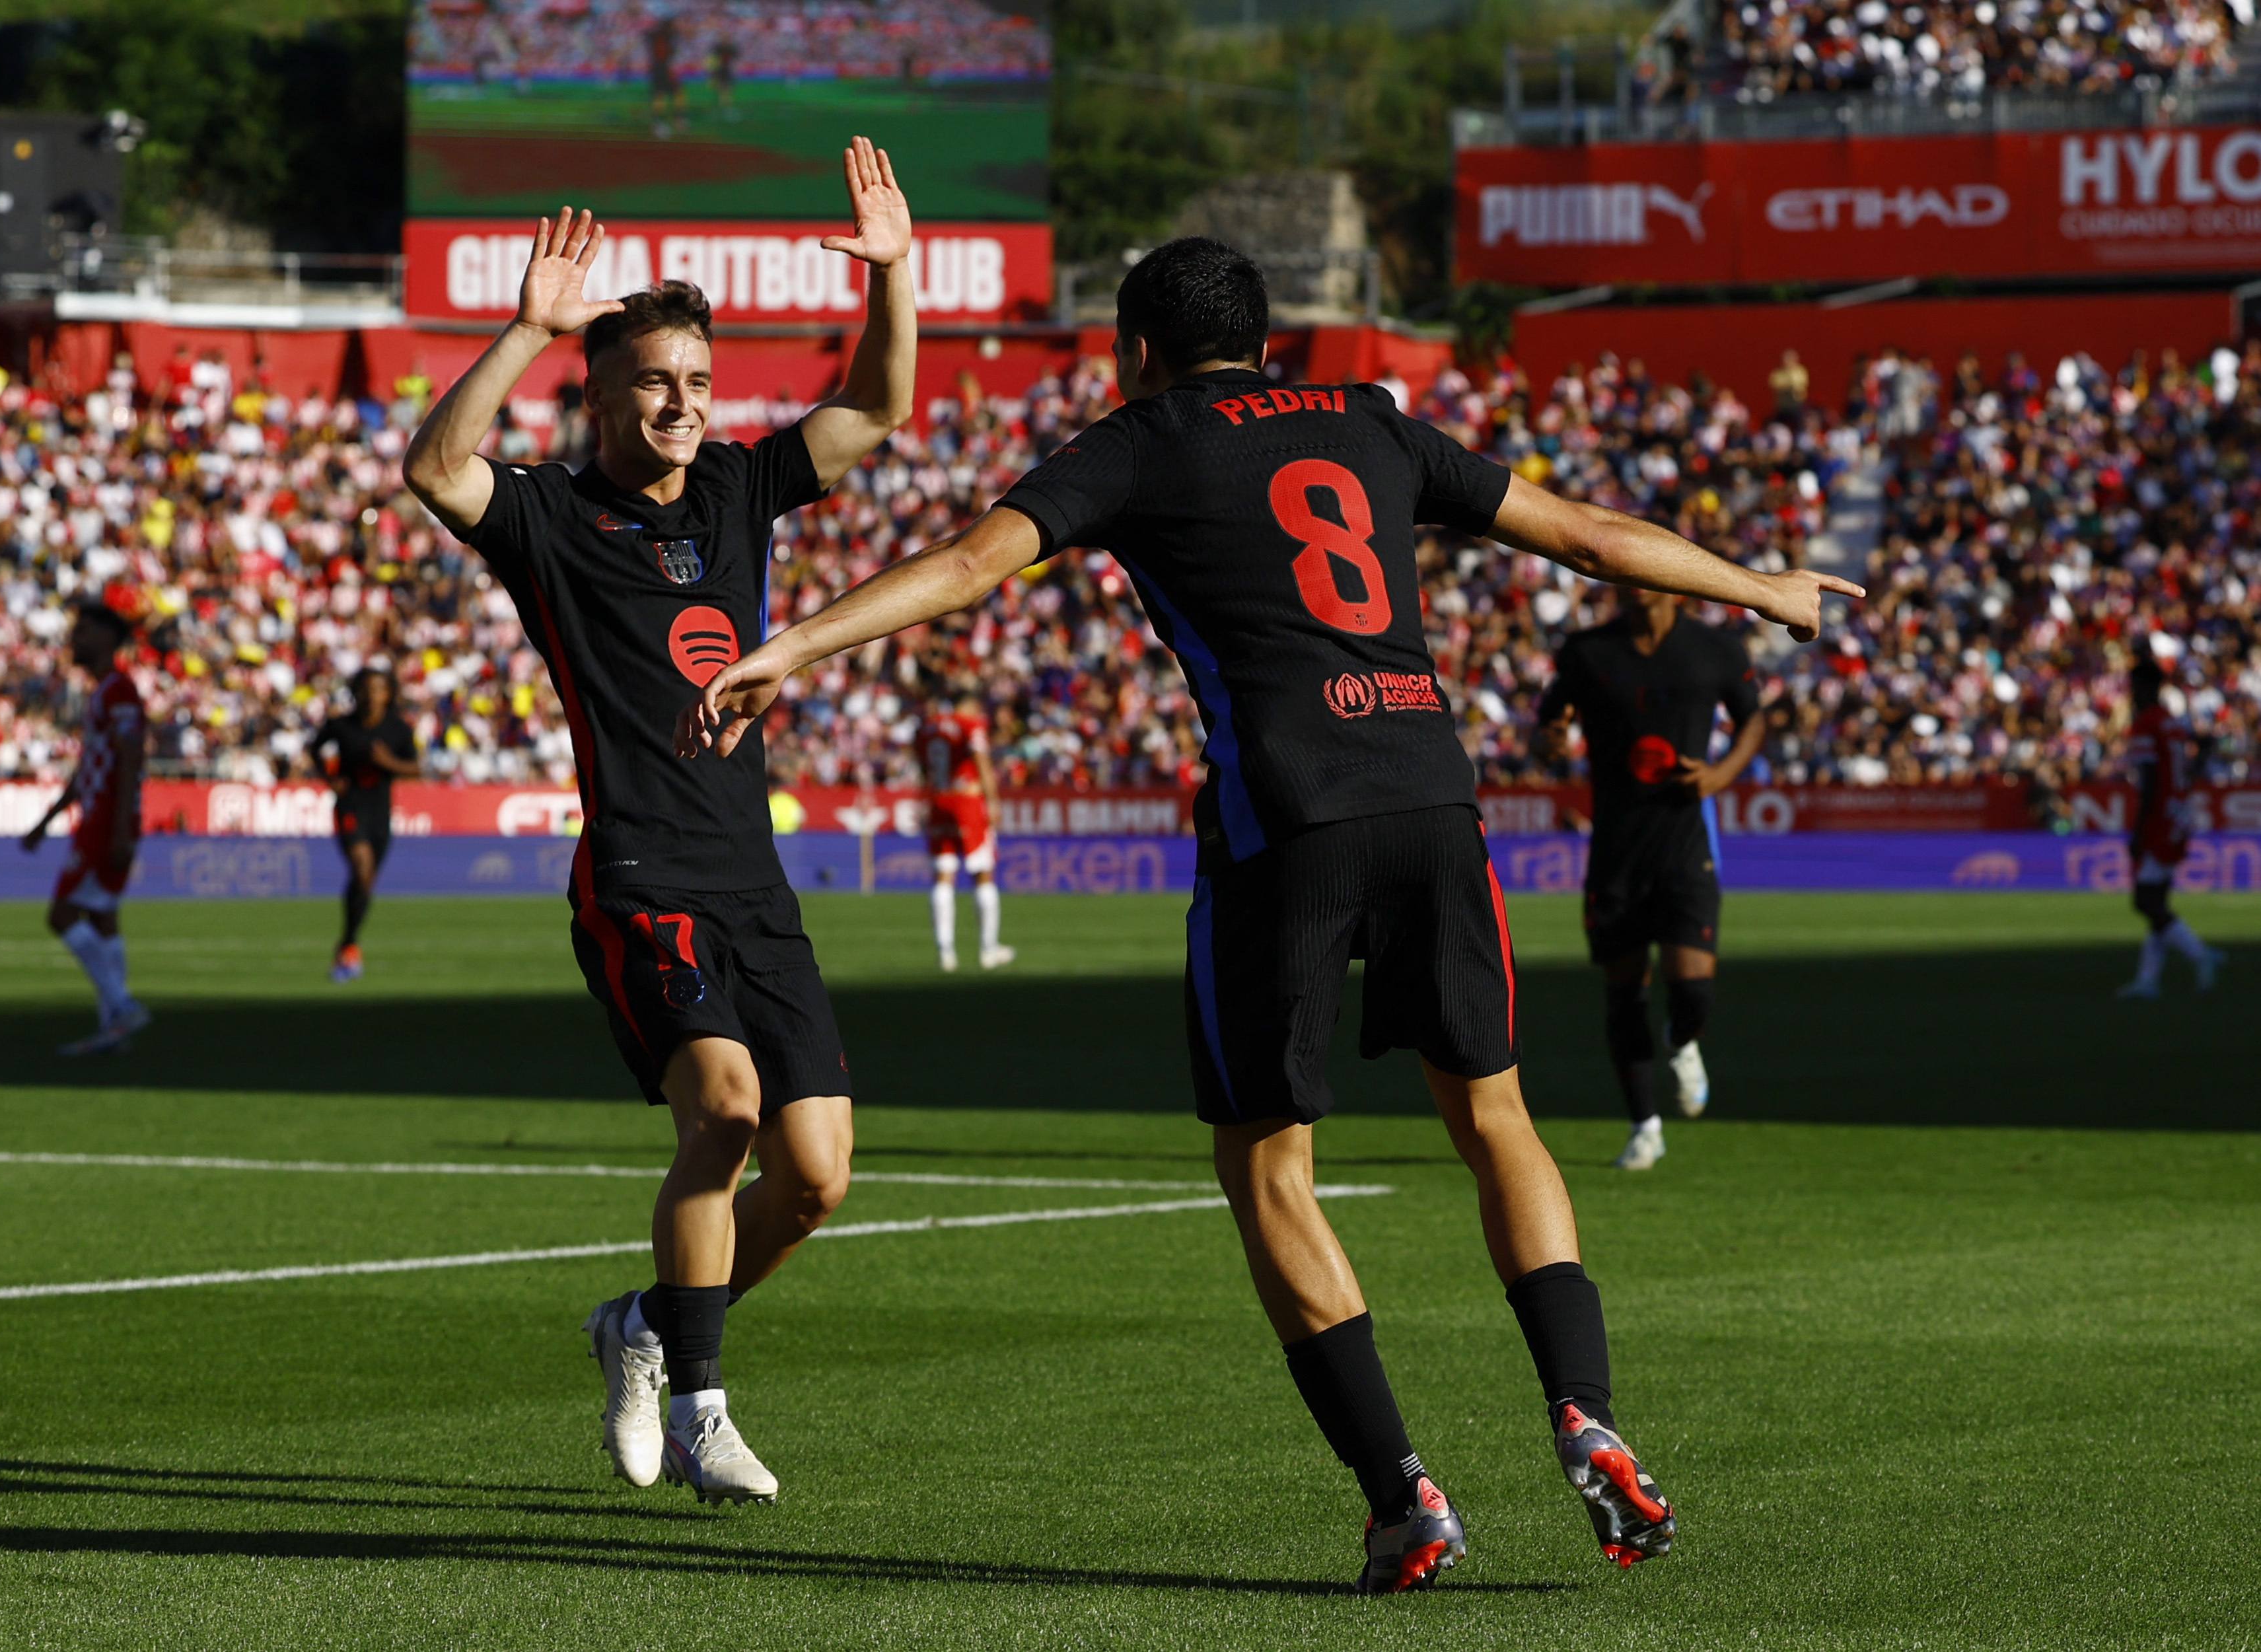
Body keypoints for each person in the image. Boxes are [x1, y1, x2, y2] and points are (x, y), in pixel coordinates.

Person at [682, 237, 1861, 1591]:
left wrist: (786, 644)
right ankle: (1584, 1407)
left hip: (1283, 819)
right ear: (1265, 332)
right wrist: (1764, 587)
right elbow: (1593, 540)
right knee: (1497, 1118)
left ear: (1138, 346)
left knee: (1268, 1164)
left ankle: (1402, 1493)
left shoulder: (1139, 438)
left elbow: (965, 565)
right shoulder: (1366, 419)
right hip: (1432, 791)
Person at [400, 138, 914, 1507]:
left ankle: (645, 1322)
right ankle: (700, 1402)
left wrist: (894, 274)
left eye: (697, 379)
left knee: (815, 1177)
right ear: (603, 395)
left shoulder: (744, 487)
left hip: (756, 878)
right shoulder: (554, 517)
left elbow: (874, 407)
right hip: (635, 868)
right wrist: (523, 329)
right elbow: (435, 466)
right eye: (654, 381)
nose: (684, 401)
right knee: (726, 1109)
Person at [1536, 588, 1762, 1171]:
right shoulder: (1589, 650)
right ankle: (1645, 1125)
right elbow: (1551, 716)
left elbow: (1752, 723)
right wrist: (1551, 737)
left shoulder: (1713, 648)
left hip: (1686, 843)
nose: (1638, 579)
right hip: (1616, 848)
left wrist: (1720, 775)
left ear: (1676, 580)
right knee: (1623, 991)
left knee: (1693, 988)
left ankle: (1683, 1041)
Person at [21, 602, 152, 1056]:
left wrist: (118, 828)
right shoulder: (103, 692)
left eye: (83, 633)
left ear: (106, 639)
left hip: (106, 820)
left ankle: (122, 1006)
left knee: (61, 915)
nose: (73, 640)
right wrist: (47, 820)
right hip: (99, 817)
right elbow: (89, 769)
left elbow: (131, 756)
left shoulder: (119, 690)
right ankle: (114, 1031)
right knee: (102, 917)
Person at [2116, 651, 2227, 997]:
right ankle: (2149, 980)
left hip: (2160, 818)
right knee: (2158, 902)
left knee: (2144, 900)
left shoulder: (2148, 722)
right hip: (2179, 813)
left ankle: (2201, 954)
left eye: (2134, 686)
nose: (2131, 692)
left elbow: (2148, 782)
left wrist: (2138, 829)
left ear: (2146, 686)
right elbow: (2185, 769)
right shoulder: (2172, 723)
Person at [310, 667, 421, 983]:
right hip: (350, 806)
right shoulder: (342, 725)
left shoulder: (398, 729)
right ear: (357, 692)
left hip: (380, 812)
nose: (372, 695)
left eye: (379, 689)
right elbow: (314, 748)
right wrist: (330, 777)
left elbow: (415, 768)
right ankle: (349, 946)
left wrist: (391, 764)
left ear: (388, 694)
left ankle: (348, 942)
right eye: (367, 689)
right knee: (361, 868)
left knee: (367, 880)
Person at [915, 693, 1013, 971]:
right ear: (969, 705)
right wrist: (992, 800)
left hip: (938, 797)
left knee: (943, 875)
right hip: (967, 800)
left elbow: (924, 765)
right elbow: (981, 761)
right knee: (983, 873)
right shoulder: (971, 725)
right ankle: (988, 949)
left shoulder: (928, 726)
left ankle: (945, 952)